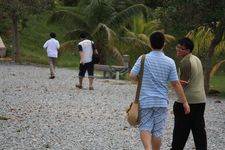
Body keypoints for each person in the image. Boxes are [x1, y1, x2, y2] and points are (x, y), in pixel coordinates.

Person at [129, 31, 190, 150]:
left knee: (145, 127)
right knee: (157, 131)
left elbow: (132, 75)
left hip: (145, 100)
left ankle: (148, 148)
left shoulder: (143, 58)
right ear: (164, 44)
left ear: (150, 44)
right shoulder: (170, 62)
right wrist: (185, 102)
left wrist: (141, 81)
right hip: (161, 101)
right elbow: (176, 84)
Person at [171, 37, 207, 150]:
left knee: (180, 133)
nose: (178, 49)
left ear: (188, 50)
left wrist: (171, 86)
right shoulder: (196, 59)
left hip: (187, 102)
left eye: (181, 48)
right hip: (201, 100)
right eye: (178, 47)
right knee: (199, 132)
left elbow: (182, 84)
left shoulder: (185, 62)